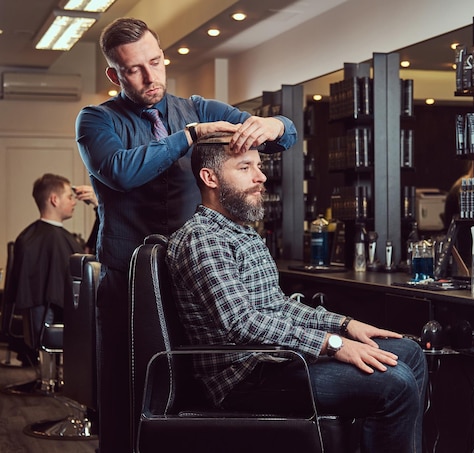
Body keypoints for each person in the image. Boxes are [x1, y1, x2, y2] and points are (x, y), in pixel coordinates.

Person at [74, 17, 297, 453]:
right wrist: (187, 137)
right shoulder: (96, 121)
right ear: (113, 74)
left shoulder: (199, 106)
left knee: (191, 394)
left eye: (155, 62)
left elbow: (278, 134)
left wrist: (274, 127)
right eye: (134, 69)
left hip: (191, 280)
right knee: (127, 397)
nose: (149, 76)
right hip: (128, 285)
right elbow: (121, 171)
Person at [166, 135, 427, 453]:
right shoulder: (203, 239)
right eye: (245, 167)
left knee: (408, 352)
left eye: (259, 166)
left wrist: (344, 325)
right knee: (395, 384)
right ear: (210, 178)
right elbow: (242, 322)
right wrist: (331, 344)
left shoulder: (241, 232)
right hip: (244, 377)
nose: (260, 176)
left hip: (273, 360)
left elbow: (275, 306)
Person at [6, 174, 95, 367]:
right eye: (69, 197)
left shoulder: (33, 237)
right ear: (54, 199)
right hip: (51, 317)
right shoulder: (35, 240)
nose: (74, 202)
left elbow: (90, 252)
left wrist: (98, 206)